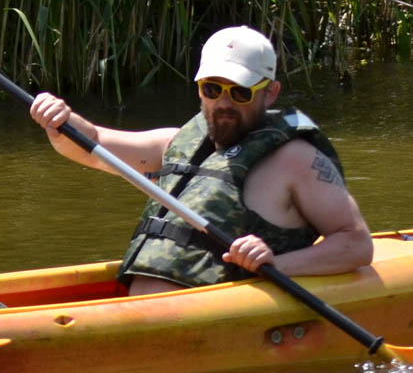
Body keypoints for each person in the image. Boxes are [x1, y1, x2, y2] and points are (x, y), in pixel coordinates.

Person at [27, 25, 373, 295]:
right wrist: (60, 121)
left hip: (217, 311)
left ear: (270, 93)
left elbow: (356, 244)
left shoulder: (296, 159)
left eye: (239, 92)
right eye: (212, 89)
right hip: (144, 308)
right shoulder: (176, 143)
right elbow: (95, 144)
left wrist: (277, 263)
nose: (223, 103)